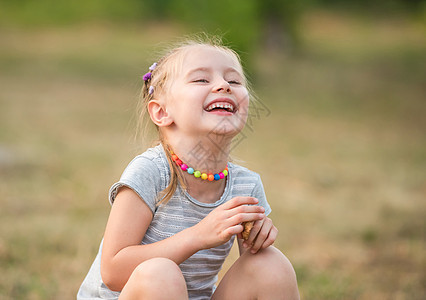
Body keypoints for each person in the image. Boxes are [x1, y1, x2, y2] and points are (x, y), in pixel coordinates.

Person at [77, 36, 299, 300]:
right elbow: (112, 272)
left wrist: (258, 241)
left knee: (270, 264)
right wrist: (198, 236)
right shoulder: (150, 172)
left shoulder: (245, 186)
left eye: (234, 80)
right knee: (161, 273)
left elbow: (251, 271)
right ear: (161, 112)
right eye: (202, 80)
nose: (223, 86)